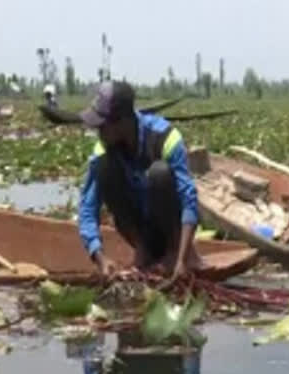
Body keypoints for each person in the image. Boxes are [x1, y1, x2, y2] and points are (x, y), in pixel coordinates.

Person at [78, 81, 202, 280]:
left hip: (172, 229)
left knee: (159, 173)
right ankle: (143, 252)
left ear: (123, 121)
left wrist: (181, 260)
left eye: (103, 126)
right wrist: (100, 258)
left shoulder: (165, 137)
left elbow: (189, 199)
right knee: (105, 168)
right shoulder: (103, 151)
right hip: (140, 231)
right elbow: (87, 207)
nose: (98, 132)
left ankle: (175, 254)